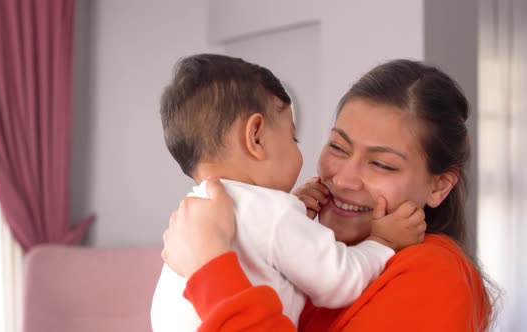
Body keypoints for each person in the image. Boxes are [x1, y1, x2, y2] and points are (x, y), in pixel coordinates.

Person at [161, 59, 495, 331]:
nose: (345, 179)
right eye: (337, 146)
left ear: (439, 186)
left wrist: (210, 268)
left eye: (381, 164)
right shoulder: (298, 238)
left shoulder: (435, 276)